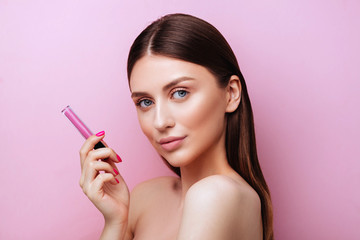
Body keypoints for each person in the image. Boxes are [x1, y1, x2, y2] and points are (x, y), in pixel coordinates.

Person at [79, 13, 273, 240]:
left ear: (231, 94)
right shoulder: (145, 198)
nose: (160, 122)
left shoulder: (216, 195)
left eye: (180, 93)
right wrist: (115, 222)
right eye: (145, 102)